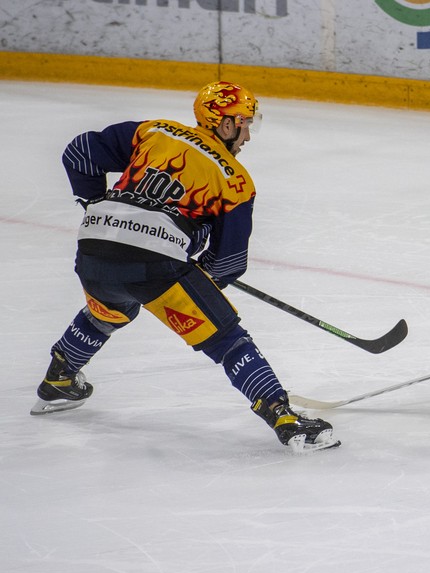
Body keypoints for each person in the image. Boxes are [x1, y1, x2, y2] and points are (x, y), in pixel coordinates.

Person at [32, 81, 339, 452]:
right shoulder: (234, 180)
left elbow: (80, 152)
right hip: (156, 268)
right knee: (228, 340)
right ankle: (283, 416)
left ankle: (60, 376)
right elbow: (228, 263)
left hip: (93, 250)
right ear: (226, 125)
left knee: (111, 307)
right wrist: (197, 277)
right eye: (245, 124)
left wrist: (102, 209)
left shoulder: (153, 131)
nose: (248, 136)